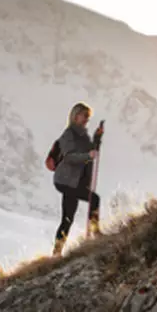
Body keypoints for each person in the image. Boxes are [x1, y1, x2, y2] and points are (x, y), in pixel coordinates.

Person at [52, 102, 104, 256]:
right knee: (92, 199)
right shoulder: (68, 135)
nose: (87, 119)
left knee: (68, 217)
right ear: (75, 116)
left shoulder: (82, 134)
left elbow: (91, 150)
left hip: (74, 182)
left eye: (88, 117)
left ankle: (57, 252)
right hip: (67, 181)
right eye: (84, 116)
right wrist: (88, 156)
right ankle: (94, 233)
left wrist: (97, 137)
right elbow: (69, 157)